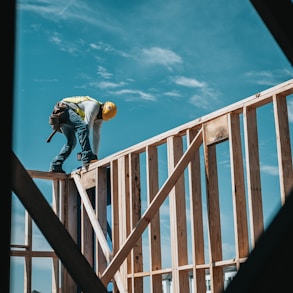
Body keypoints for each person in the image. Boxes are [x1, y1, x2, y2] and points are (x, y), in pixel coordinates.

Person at [49, 96, 117, 173]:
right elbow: (86, 128)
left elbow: (96, 136)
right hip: (62, 110)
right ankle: (87, 156)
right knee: (83, 127)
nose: (99, 118)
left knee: (71, 142)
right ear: (102, 108)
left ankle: (56, 165)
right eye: (99, 115)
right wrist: (87, 156)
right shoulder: (93, 107)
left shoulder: (99, 117)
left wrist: (95, 156)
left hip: (66, 114)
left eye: (101, 117)